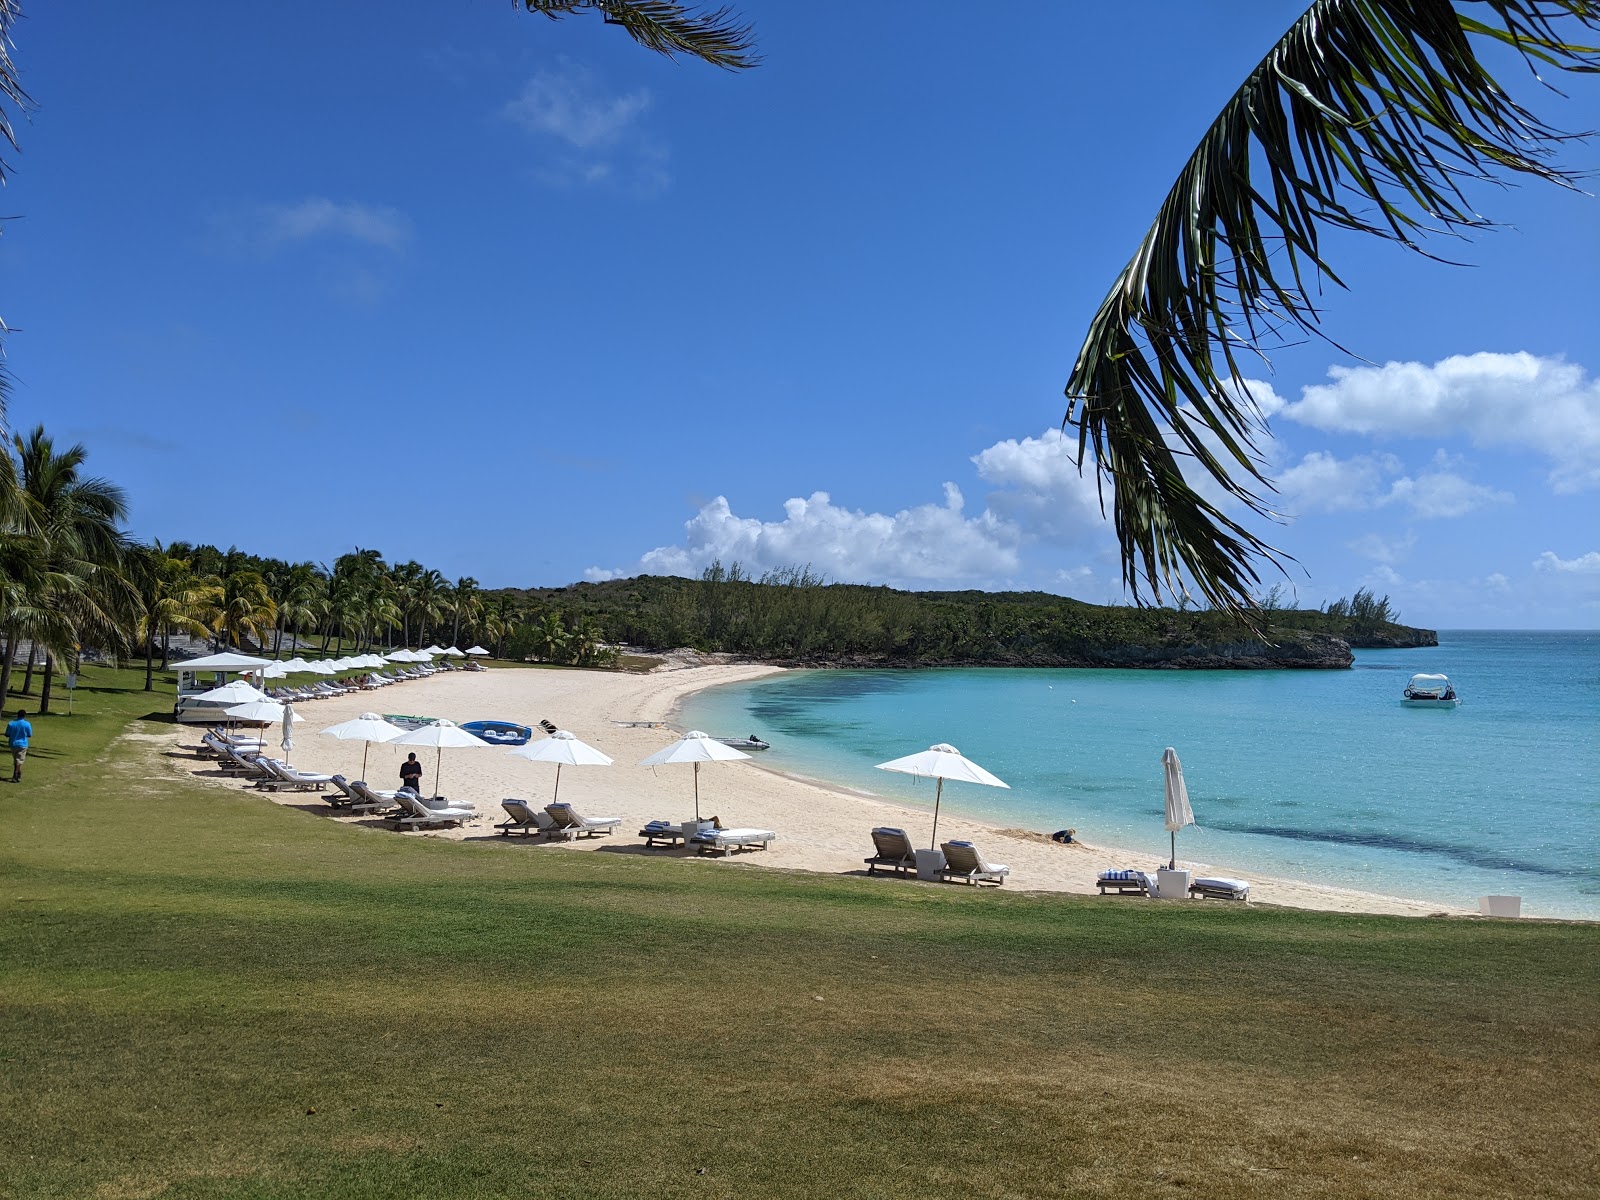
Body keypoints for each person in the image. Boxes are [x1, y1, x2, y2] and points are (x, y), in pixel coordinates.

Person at [7, 709, 33, 784]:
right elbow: (29, 734)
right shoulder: (27, 724)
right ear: (24, 716)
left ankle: (18, 773)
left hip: (13, 744)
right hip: (23, 744)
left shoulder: (11, 723)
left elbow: (7, 734)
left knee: (17, 760)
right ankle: (15, 775)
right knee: (19, 760)